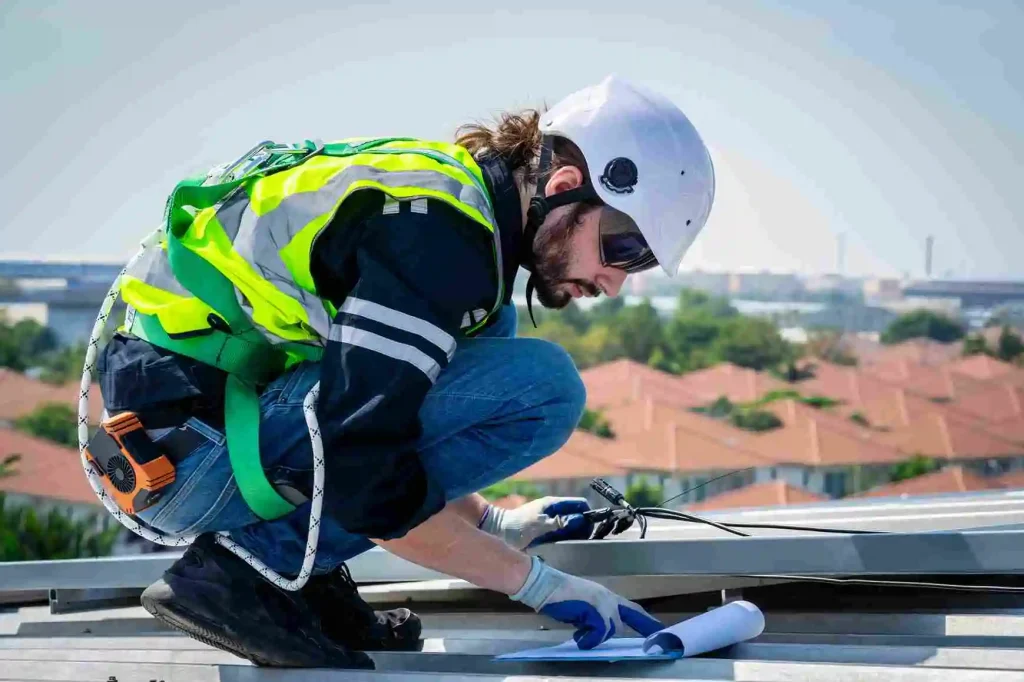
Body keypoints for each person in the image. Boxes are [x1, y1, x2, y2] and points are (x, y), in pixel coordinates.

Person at [95, 75, 715, 669]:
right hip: (188, 452)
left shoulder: (458, 210)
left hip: (192, 430)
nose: (615, 282)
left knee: (488, 331)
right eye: (623, 247)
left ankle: (299, 568)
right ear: (565, 184)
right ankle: (249, 568)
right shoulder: (437, 237)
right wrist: (536, 585)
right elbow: (363, 467)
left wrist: (494, 525)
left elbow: (387, 412)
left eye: (640, 263)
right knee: (543, 389)